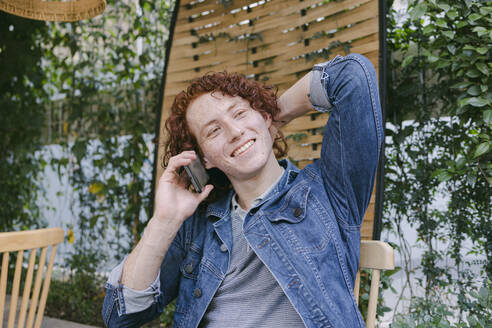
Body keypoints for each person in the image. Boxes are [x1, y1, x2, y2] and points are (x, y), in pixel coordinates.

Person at [102, 53, 383, 328]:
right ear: (205, 160)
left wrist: (271, 115)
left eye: (239, 113)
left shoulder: (329, 191)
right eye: (214, 131)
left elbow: (353, 76)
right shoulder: (198, 224)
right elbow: (120, 315)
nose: (235, 131)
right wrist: (164, 221)